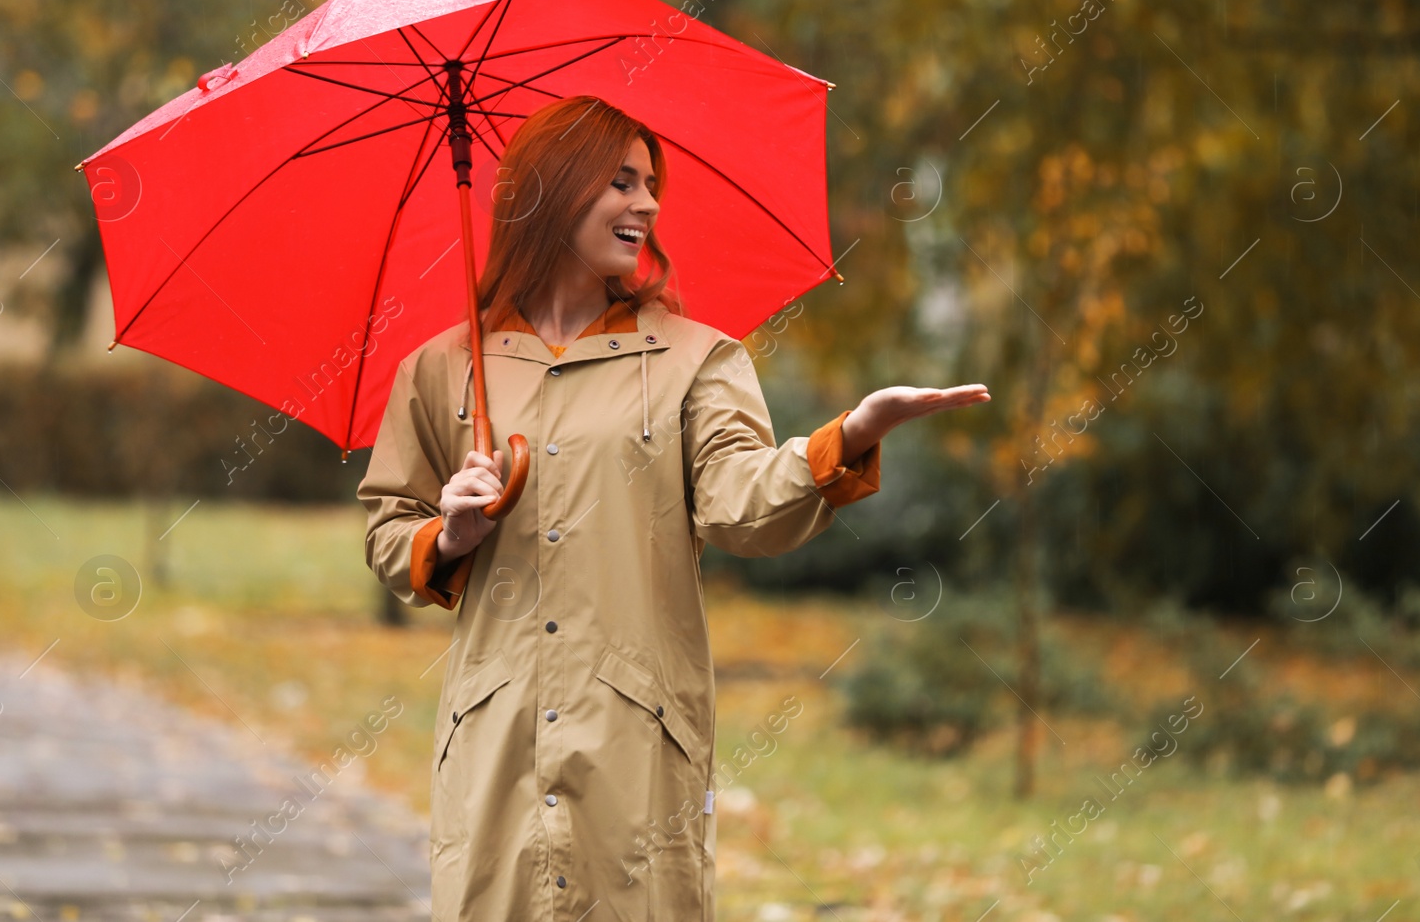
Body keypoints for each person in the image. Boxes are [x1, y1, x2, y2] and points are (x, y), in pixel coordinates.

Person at [356, 94, 989, 921]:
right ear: (552, 189)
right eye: (620, 181)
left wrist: (845, 437)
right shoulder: (445, 369)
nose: (647, 205)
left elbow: (738, 503)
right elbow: (388, 527)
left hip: (635, 737)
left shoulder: (696, 358)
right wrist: (451, 532)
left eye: (650, 184)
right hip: (496, 733)